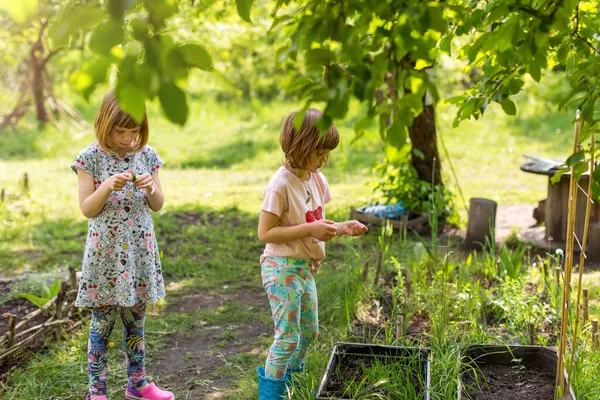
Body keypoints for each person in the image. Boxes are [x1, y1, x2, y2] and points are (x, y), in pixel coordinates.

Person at [256, 108, 368, 398]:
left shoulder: (316, 178)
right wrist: (310, 232)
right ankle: (272, 394)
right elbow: (265, 234)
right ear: (299, 146)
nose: (325, 158)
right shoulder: (280, 185)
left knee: (309, 333)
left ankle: (291, 382)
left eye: (327, 152)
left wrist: (343, 228)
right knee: (288, 337)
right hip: (281, 268)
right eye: (319, 151)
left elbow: (313, 221)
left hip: (303, 268)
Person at [72, 89, 173, 400]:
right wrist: (107, 188)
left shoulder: (147, 155)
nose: (129, 138)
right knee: (102, 323)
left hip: (138, 253)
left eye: (135, 130)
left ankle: (138, 384)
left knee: (135, 321)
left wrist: (151, 186)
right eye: (121, 131)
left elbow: (158, 204)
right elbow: (87, 208)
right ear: (105, 124)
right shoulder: (90, 158)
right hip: (105, 256)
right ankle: (97, 391)